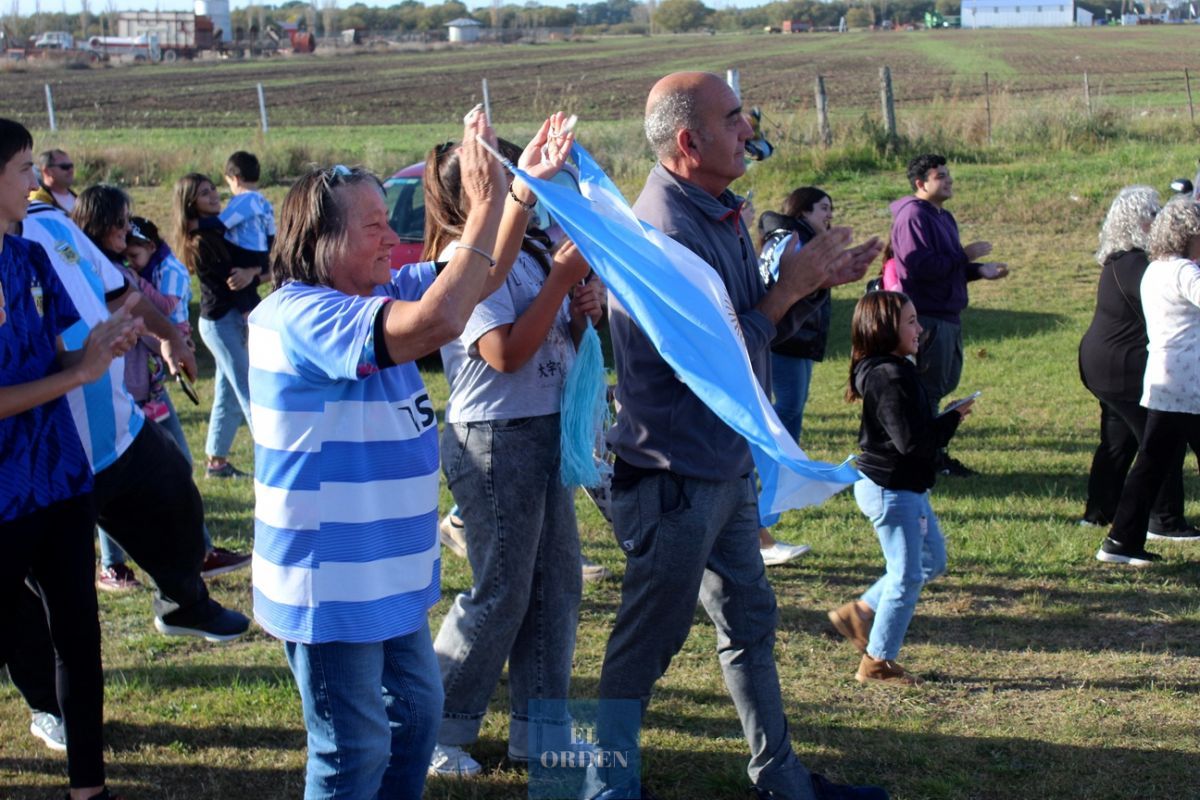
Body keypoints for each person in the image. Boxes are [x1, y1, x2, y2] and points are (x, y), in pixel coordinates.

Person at [592, 71, 886, 800]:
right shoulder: (663, 229)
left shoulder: (715, 210)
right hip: (674, 479)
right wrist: (789, 291)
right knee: (643, 646)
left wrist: (807, 283)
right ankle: (598, 787)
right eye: (733, 120)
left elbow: (742, 323)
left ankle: (781, 780)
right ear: (690, 142)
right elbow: (717, 356)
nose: (749, 129)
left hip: (719, 470)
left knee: (752, 622)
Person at [249, 109, 552, 799]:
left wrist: (517, 193)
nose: (394, 238)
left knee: (416, 721)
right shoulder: (303, 315)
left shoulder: (369, 293)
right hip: (332, 587)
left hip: (387, 580)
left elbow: (480, 273)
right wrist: (479, 205)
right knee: (352, 751)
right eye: (374, 227)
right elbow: (442, 318)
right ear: (322, 241)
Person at [421, 126, 601, 776]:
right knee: (500, 589)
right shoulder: (459, 263)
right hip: (495, 440)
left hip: (543, 429)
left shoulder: (524, 248)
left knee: (556, 588)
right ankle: (435, 731)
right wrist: (558, 281)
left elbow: (554, 341)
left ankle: (539, 732)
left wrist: (584, 305)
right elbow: (503, 353)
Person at [21, 190, 251, 643]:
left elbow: (119, 294)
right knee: (54, 589)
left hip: (118, 429)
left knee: (175, 495)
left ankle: (185, 604)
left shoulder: (50, 221)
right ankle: (48, 692)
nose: (36, 180)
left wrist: (169, 336)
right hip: (50, 458)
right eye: (23, 168)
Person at [1, 116, 142, 800]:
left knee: (78, 640)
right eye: (25, 169)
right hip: (2, 492)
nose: (38, 182)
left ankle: (89, 788)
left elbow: (53, 358)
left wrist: (103, 345)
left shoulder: (29, 257)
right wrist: (76, 374)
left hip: (58, 476)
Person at [828, 291, 972, 686]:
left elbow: (908, 435)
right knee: (907, 574)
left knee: (931, 561)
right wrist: (951, 421)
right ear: (884, 327)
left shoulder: (891, 369)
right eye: (910, 321)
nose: (919, 328)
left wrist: (944, 419)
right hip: (892, 490)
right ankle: (877, 661)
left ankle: (860, 611)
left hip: (905, 486)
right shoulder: (888, 376)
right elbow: (911, 443)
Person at [1077, 187, 1198, 539]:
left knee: (1118, 441)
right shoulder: (1139, 265)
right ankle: (1164, 521)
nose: (1159, 218)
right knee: (1160, 444)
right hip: (1125, 365)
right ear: (1138, 222)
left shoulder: (1122, 259)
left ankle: (1100, 512)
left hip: (1104, 362)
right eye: (1153, 212)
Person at [889, 153, 1007, 477]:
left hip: (949, 314)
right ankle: (927, 458)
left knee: (941, 384)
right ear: (920, 183)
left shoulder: (944, 217)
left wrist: (979, 270)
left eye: (947, 173)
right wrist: (963, 255)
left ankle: (933, 455)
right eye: (940, 175)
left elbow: (949, 269)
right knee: (928, 389)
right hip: (928, 315)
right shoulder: (913, 216)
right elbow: (919, 267)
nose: (948, 179)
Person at [755, 186, 835, 566]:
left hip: (797, 341)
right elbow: (775, 287)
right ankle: (764, 518)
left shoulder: (799, 239)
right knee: (781, 428)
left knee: (787, 423)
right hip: (784, 342)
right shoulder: (789, 241)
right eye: (823, 209)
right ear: (802, 212)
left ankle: (767, 511)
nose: (829, 216)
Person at [172, 172, 263, 479]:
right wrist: (251, 290)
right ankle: (270, 463)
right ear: (190, 203)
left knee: (227, 393)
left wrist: (254, 272)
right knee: (250, 391)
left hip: (229, 320)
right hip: (221, 324)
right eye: (204, 193)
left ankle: (217, 463)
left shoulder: (220, 230)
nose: (214, 195)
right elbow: (232, 283)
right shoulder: (201, 241)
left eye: (213, 189)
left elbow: (250, 271)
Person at [219, 150, 275, 271]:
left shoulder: (243, 200)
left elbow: (221, 223)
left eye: (229, 183)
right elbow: (271, 234)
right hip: (262, 253)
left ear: (235, 179)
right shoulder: (264, 202)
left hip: (244, 254)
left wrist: (197, 224)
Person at [30, 148, 77, 212]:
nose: (70, 170)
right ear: (47, 171)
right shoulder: (37, 200)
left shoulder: (77, 198)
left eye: (71, 166)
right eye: (64, 167)